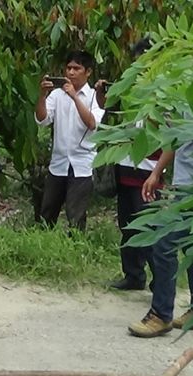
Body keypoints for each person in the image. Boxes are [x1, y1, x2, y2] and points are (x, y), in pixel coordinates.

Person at [97, 38, 159, 291]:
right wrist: (102, 92)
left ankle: (160, 277)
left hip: (150, 165)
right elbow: (106, 106)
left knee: (148, 225)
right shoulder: (129, 83)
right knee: (127, 223)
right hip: (125, 162)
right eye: (138, 57)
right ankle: (133, 275)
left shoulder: (165, 86)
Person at [128, 142, 193, 337]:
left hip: (188, 191)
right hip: (184, 187)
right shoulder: (183, 110)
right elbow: (176, 139)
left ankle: (161, 315)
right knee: (189, 246)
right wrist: (156, 172)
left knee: (164, 242)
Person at [35, 50, 105, 230]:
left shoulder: (94, 96)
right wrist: (42, 95)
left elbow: (91, 123)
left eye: (77, 68)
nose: (71, 73)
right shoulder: (57, 95)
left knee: (76, 216)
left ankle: (76, 249)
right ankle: (42, 246)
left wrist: (74, 96)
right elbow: (42, 119)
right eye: (68, 68)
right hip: (58, 163)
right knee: (47, 212)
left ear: (88, 72)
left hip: (82, 164)